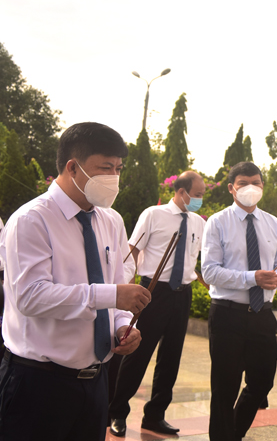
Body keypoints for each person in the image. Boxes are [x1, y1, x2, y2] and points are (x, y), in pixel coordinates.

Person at [0, 122, 150, 441]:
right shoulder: (32, 220)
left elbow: (117, 287)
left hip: (95, 382)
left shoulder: (111, 221)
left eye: (119, 168)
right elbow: (30, 297)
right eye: (105, 168)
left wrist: (124, 325)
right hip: (37, 384)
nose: (114, 178)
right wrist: (109, 297)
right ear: (73, 167)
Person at [109, 171, 207, 437]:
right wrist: (124, 289)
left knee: (171, 357)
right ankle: (116, 412)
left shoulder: (198, 222)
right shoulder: (153, 214)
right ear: (182, 192)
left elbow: (191, 259)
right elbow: (133, 251)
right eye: (197, 195)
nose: (200, 199)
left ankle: (155, 415)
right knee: (138, 353)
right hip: (153, 290)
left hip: (182, 293)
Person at [201, 161, 277, 441]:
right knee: (225, 387)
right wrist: (252, 278)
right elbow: (209, 271)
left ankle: (234, 433)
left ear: (263, 185)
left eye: (256, 182)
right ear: (231, 188)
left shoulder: (272, 223)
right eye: (243, 183)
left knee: (262, 382)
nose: (251, 188)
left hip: (262, 314)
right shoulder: (218, 222)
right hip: (228, 315)